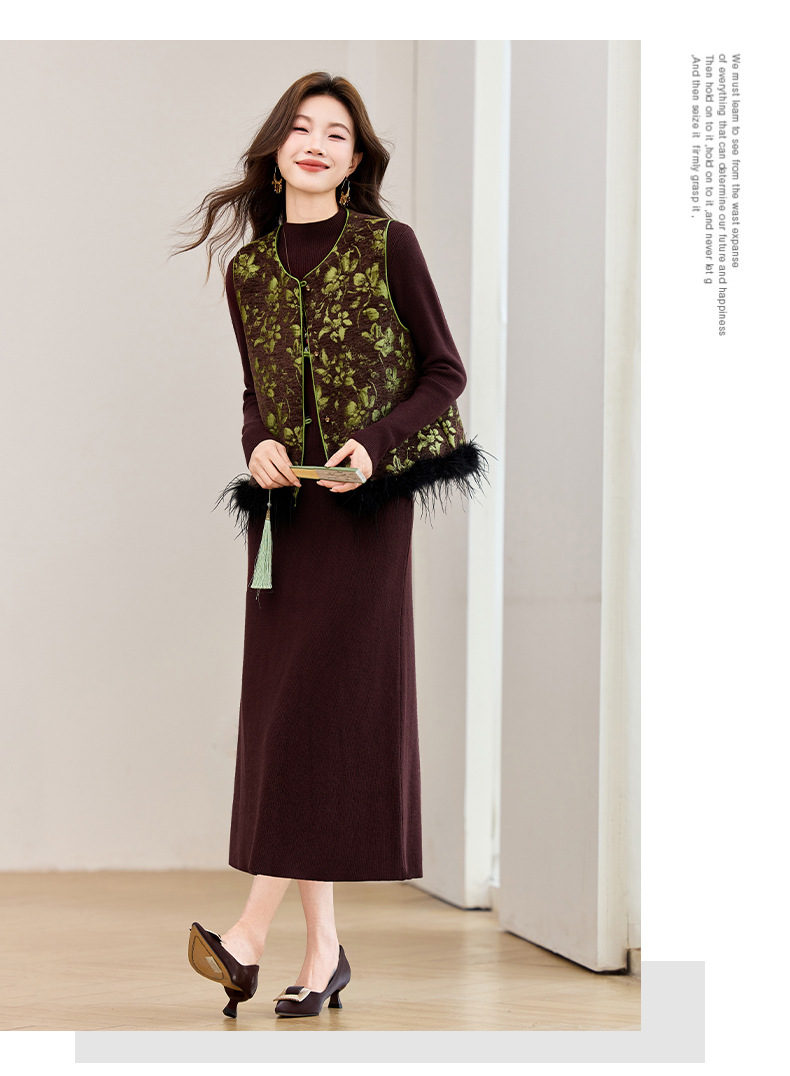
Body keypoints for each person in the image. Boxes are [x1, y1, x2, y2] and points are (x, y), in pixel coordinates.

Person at [174, 71, 487, 1020]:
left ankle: (246, 935)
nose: (316, 143)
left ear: (355, 162)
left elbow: (445, 371)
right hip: (285, 520)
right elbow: (255, 393)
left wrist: (377, 444)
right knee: (291, 717)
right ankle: (324, 952)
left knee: (316, 709)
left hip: (365, 516)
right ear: (278, 152)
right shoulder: (248, 272)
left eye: (337, 134)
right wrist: (257, 446)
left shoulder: (390, 245)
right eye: (301, 129)